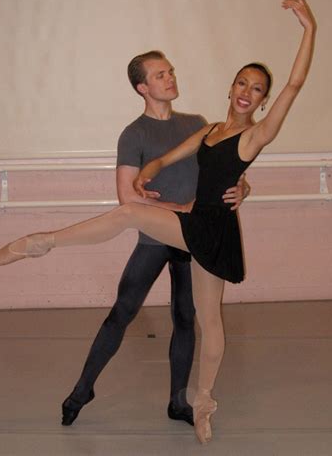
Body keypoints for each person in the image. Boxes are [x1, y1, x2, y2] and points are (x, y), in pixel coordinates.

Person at [0, 0, 316, 444]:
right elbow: (164, 161)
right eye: (242, 83)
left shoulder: (254, 136)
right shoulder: (206, 129)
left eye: (258, 89)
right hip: (191, 223)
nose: (248, 92)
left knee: (209, 320)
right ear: (230, 88)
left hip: (211, 231)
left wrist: (309, 29)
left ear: (263, 101)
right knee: (130, 218)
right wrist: (149, 170)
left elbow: (295, 86)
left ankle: (202, 402)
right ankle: (44, 241)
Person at [59, 50, 249, 428]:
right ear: (142, 87)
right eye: (161, 75)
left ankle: (177, 401)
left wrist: (243, 186)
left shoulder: (197, 124)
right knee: (122, 312)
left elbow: (224, 173)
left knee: (184, 317)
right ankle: (83, 389)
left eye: (171, 71)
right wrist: (180, 210)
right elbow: (127, 199)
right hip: (155, 237)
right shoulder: (135, 134)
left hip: (192, 238)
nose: (170, 78)